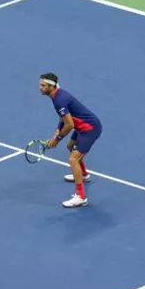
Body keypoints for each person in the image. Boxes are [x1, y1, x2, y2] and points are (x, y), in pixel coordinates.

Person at [37, 71, 100, 211]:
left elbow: (70, 124)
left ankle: (81, 197)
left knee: (73, 160)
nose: (39, 87)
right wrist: (58, 129)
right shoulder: (57, 96)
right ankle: (84, 175)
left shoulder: (59, 100)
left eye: (42, 85)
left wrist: (56, 139)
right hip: (83, 127)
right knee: (71, 146)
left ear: (50, 86)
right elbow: (64, 118)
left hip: (89, 129)